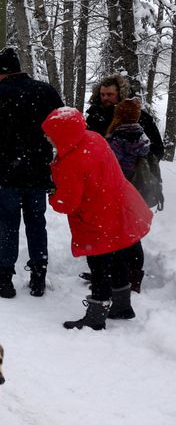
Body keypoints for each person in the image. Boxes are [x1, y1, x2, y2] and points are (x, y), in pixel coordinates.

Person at [42, 107, 152, 330]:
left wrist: (52, 194)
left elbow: (67, 204)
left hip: (96, 218)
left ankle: (96, 317)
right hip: (119, 207)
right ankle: (122, 307)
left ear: (63, 134)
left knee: (100, 266)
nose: (47, 138)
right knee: (118, 257)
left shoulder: (72, 160)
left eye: (50, 134)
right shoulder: (93, 138)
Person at [0, 47, 63, 298]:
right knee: (37, 223)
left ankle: (4, 277)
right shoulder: (45, 91)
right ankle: (38, 275)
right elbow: (61, 123)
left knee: (9, 226)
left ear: (0, 73)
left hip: (6, 173)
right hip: (37, 171)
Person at [85, 74, 163, 159]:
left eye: (110, 94)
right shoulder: (94, 116)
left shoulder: (139, 117)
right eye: (102, 94)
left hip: (130, 170)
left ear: (120, 94)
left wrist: (135, 164)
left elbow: (157, 150)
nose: (105, 98)